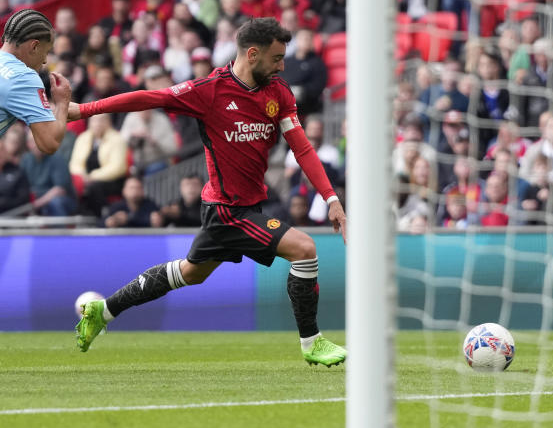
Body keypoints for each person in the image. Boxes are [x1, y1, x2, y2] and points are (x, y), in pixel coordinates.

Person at [71, 18, 348, 368]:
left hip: (242, 204)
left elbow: (303, 148)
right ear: (252, 54)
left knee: (190, 273)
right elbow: (147, 98)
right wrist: (83, 110)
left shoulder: (278, 91)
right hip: (228, 209)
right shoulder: (210, 90)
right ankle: (312, 342)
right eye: (277, 58)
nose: (282, 66)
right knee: (305, 250)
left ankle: (104, 310)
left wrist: (331, 199)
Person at [0, 9, 72, 271]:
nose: (45, 61)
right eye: (45, 51)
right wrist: (63, 102)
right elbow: (49, 143)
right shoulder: (23, 78)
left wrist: (56, 111)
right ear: (34, 46)